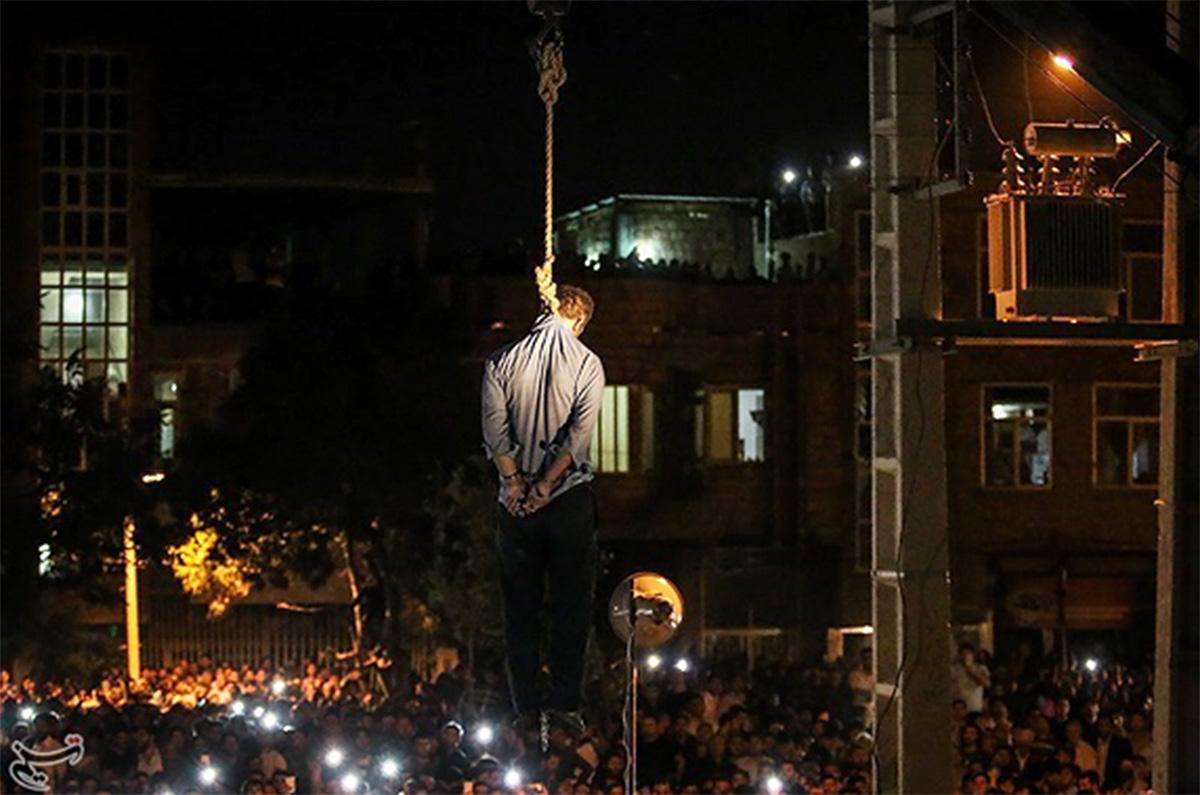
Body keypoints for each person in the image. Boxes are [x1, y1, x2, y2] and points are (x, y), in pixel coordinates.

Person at [481, 285, 605, 743]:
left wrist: (516, 483)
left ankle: (526, 707)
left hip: (515, 503)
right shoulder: (587, 363)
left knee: (520, 609)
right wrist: (547, 484)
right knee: (572, 603)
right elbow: (578, 436)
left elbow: (495, 431)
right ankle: (566, 704)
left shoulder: (500, 362)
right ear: (580, 322)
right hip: (566, 497)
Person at [950, 643, 991, 713]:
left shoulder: (981, 668)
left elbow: (987, 684)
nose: (965, 656)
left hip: (974, 707)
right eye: (962, 653)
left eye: (968, 653)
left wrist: (970, 670)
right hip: (957, 708)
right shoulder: (953, 669)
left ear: (973, 655)